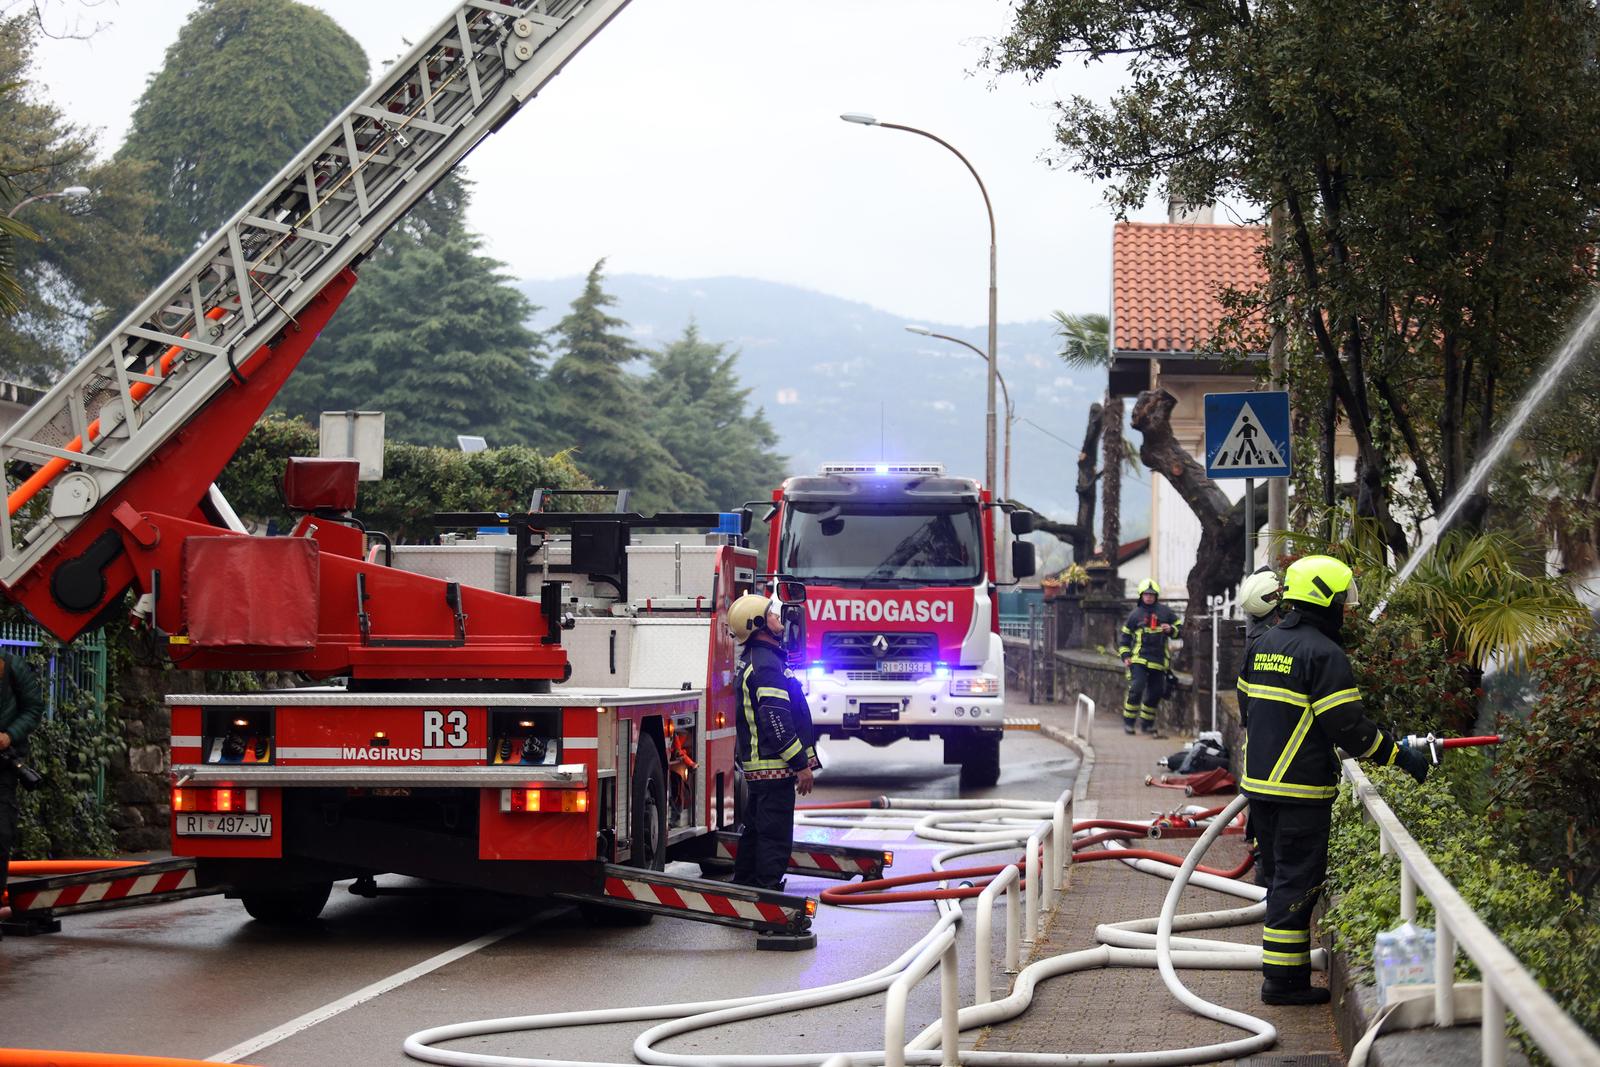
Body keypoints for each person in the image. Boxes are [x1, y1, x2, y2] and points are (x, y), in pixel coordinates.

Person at [1238, 555, 1430, 1006]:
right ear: (1326, 598)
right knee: (1297, 883)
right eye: (1342, 599)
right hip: (1300, 794)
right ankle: (1283, 985)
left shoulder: (1262, 645)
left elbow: (1249, 710)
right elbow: (1351, 730)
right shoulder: (1323, 654)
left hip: (1260, 788)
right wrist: (1402, 757)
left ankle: (1285, 976)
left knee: (1279, 880)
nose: (1346, 608)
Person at [726, 593, 820, 891]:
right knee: (774, 835)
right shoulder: (765, 664)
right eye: (772, 615)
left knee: (756, 831)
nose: (779, 619)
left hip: (763, 769)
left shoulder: (762, 659)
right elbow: (777, 722)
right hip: (774, 768)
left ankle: (746, 888)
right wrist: (800, 765)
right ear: (758, 625)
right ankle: (768, 896)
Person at [0, 649, 44, 918]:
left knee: (1, 831)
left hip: (3, 764)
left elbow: (33, 708)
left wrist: (9, 735)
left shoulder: (12, 666)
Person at [1117, 578, 1183, 735]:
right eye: (1146, 594)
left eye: (1152, 594)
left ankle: (1147, 724)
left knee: (1155, 692)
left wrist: (1171, 629)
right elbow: (1124, 639)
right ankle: (1129, 723)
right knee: (1136, 688)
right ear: (1141, 595)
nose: (1149, 597)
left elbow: (1181, 628)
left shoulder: (1165, 612)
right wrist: (1125, 656)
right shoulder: (1134, 615)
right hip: (1138, 659)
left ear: (1156, 596)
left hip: (1159, 661)